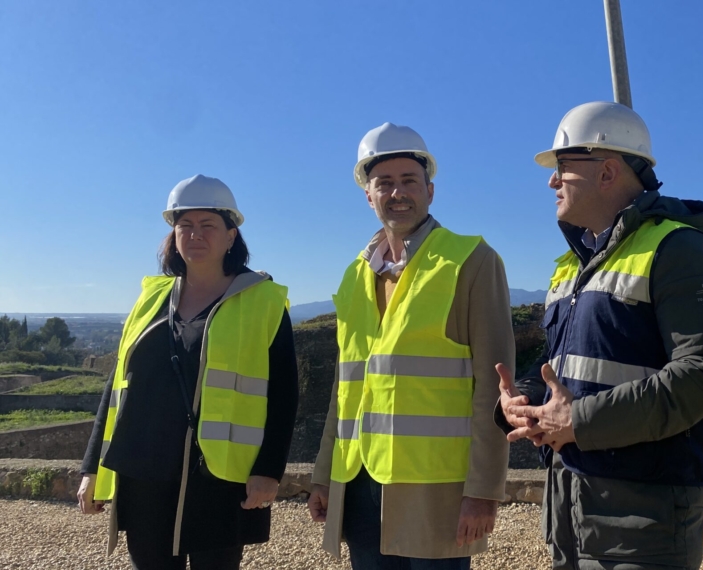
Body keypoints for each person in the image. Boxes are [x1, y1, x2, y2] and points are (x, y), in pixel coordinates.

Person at [498, 101, 703, 570]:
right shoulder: (573, 266)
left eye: (564, 167)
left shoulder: (680, 248)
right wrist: (524, 401)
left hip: (643, 520)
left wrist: (579, 421)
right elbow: (565, 365)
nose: (552, 181)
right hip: (572, 512)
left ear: (608, 171)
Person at [307, 123, 513, 570]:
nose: (397, 193)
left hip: (436, 491)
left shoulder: (472, 261)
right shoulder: (354, 275)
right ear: (368, 195)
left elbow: (495, 390)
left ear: (430, 191)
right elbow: (344, 392)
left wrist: (483, 491)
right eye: (385, 183)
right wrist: (324, 475)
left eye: (409, 182)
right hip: (359, 483)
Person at [77, 174, 299, 569]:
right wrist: (92, 468)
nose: (196, 235)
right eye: (185, 226)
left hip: (218, 476)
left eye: (208, 225)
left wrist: (268, 471)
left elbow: (283, 395)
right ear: (173, 235)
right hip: (145, 473)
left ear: (231, 235)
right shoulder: (151, 298)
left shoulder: (263, 301)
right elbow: (117, 388)